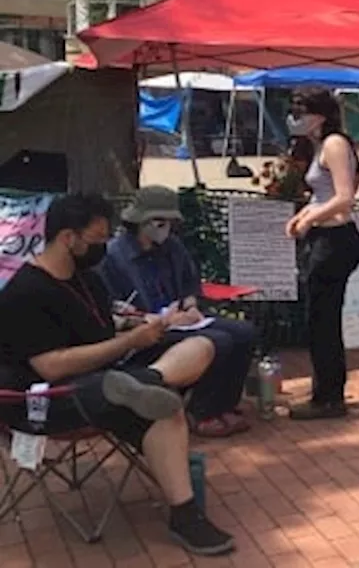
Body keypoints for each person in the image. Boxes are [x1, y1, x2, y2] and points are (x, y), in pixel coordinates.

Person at [0, 193, 235, 555]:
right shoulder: (25, 292)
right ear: (68, 238)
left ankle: (149, 384)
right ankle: (138, 390)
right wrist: (128, 342)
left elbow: (102, 332)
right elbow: (52, 366)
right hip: (43, 398)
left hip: (106, 381)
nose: (103, 248)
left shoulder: (88, 280)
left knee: (197, 354)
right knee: (140, 399)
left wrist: (140, 329)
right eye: (96, 240)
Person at [98, 186, 261, 438]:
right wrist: (153, 319)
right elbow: (113, 308)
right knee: (219, 341)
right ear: (140, 221)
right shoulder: (113, 256)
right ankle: (201, 412)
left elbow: (189, 283)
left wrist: (191, 305)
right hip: (146, 329)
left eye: (168, 222)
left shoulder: (172, 248)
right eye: (158, 221)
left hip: (182, 320)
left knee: (243, 332)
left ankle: (225, 404)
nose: (165, 228)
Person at [286, 88, 359, 420]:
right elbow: (323, 195)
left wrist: (310, 221)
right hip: (324, 237)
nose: (295, 118)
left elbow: (344, 197)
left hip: (335, 241)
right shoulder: (320, 146)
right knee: (320, 320)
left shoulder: (334, 144)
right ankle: (326, 389)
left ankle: (329, 397)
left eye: (300, 111)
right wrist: (301, 216)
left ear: (318, 114)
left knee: (323, 321)